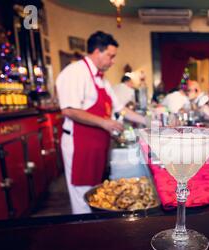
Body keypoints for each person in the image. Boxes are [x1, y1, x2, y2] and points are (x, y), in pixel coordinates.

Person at [56, 31, 145, 214]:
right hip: (80, 143)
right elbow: (69, 110)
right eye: (111, 56)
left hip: (97, 143)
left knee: (95, 193)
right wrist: (105, 123)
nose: (113, 61)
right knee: (82, 196)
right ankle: (84, 234)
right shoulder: (75, 73)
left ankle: (95, 231)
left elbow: (120, 108)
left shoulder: (102, 79)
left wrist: (148, 120)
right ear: (97, 52)